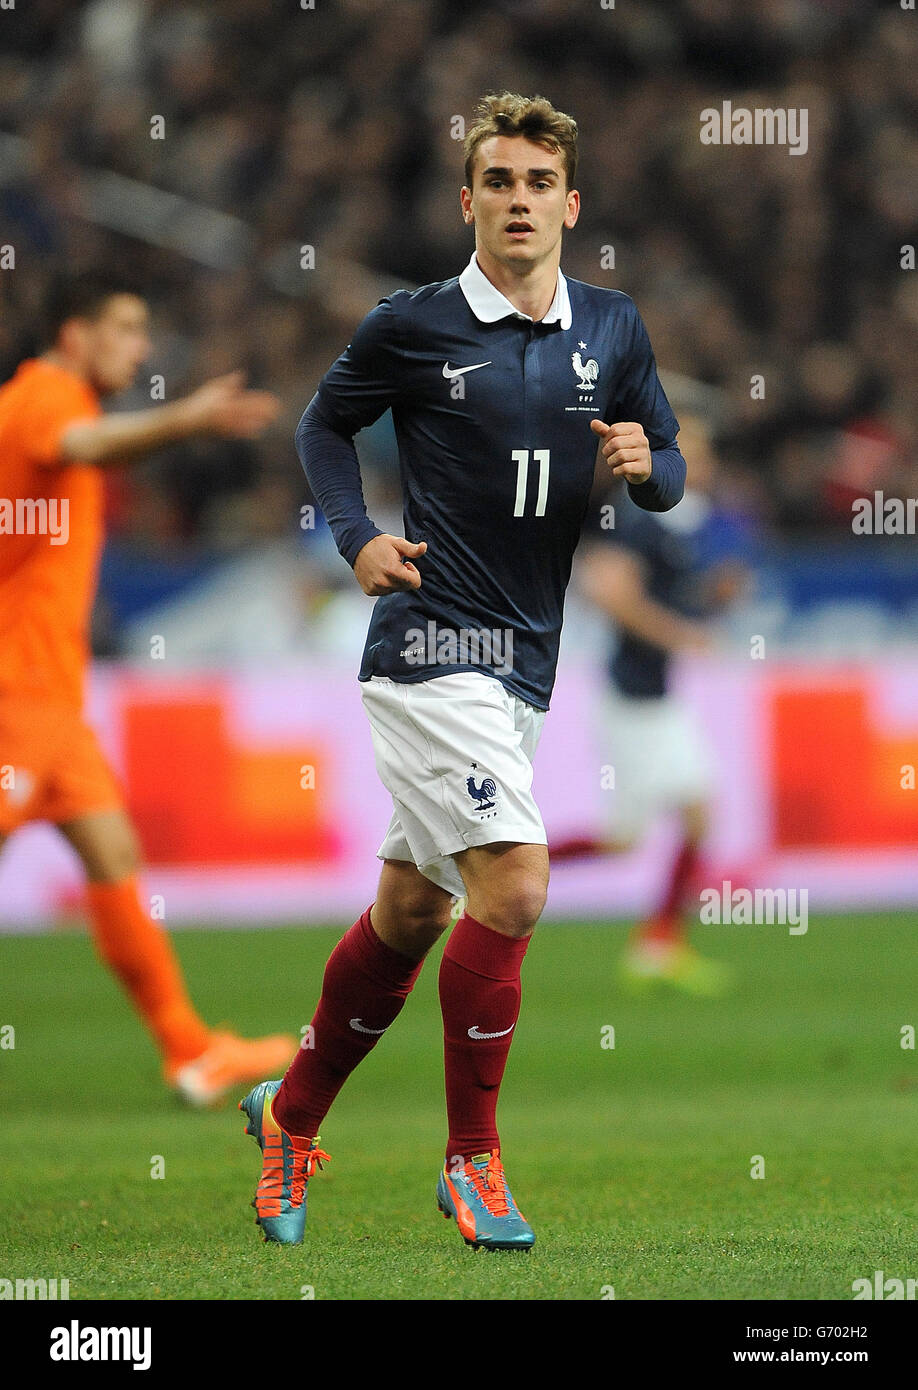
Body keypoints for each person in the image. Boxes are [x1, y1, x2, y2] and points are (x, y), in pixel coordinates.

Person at [240, 91, 685, 1250]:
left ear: (570, 203)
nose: (520, 201)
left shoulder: (615, 329)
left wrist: (651, 463)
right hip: (430, 648)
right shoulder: (414, 324)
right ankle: (472, 1162)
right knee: (519, 886)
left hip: (525, 664)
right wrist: (355, 538)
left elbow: (668, 466)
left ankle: (289, 1118)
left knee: (408, 909)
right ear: (469, 199)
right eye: (500, 182)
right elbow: (321, 428)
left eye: (540, 184)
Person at [0, 274, 296, 1104]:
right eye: (124, 329)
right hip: (14, 700)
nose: (139, 348)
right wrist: (186, 419)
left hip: (52, 702)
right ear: (74, 331)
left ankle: (188, 1049)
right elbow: (81, 448)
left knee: (114, 856)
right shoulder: (46, 396)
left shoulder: (57, 399)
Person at [554, 413, 752, 995]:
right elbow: (610, 594)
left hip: (652, 696)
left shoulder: (681, 521)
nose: (705, 458)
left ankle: (658, 943)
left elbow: (672, 594)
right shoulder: (635, 513)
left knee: (667, 824)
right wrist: (682, 635)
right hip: (633, 698)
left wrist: (710, 600)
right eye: (693, 447)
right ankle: (492, 875)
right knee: (654, 829)